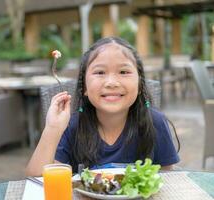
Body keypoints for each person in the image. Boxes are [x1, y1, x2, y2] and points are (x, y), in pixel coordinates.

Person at [26, 37, 180, 176]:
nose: (111, 82)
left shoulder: (155, 123)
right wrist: (52, 129)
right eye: (100, 72)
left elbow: (168, 177)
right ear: (84, 87)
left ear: (140, 84)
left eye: (123, 71)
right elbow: (37, 179)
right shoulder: (72, 126)